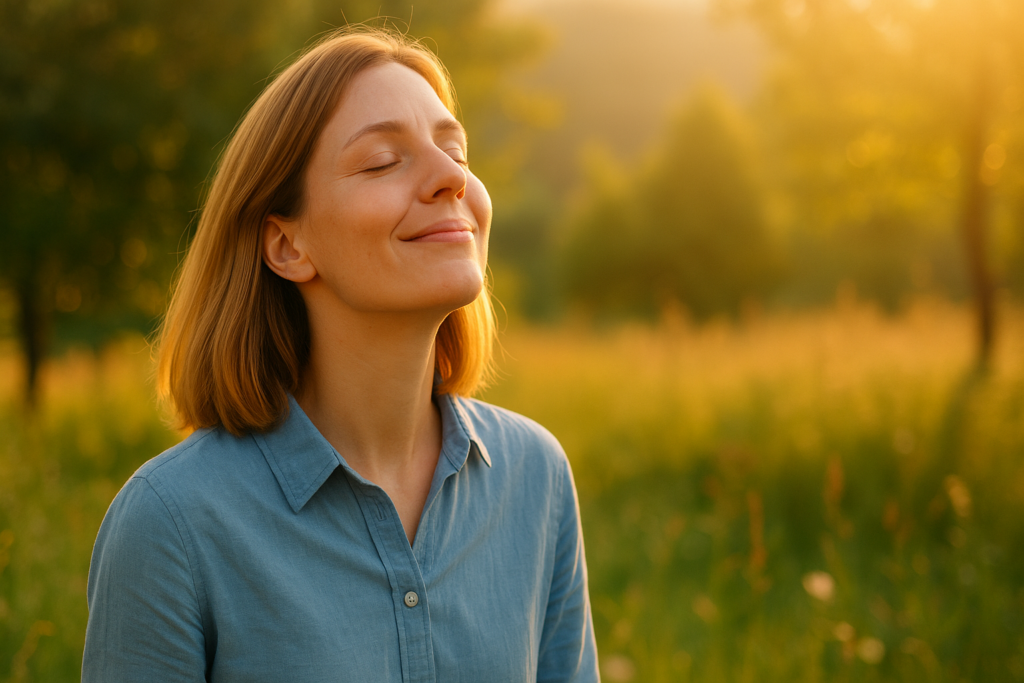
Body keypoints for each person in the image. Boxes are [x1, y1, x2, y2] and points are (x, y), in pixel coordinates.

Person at [81, 27, 599, 683]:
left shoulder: (537, 476)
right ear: (287, 246)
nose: (451, 179)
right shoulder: (169, 523)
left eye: (456, 150)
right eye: (384, 161)